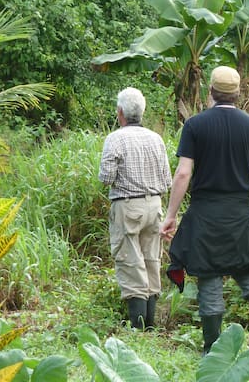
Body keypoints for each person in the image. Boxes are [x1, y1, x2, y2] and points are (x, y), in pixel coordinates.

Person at [160, 65, 249, 355]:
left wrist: (171, 215)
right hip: (240, 214)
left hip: (206, 215)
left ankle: (212, 349)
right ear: (237, 94)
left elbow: (183, 174)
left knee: (210, 279)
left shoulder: (195, 125)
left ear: (210, 91)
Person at [99, 87, 172, 331]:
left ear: (120, 112)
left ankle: (138, 330)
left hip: (128, 205)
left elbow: (106, 178)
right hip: (154, 205)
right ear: (142, 111)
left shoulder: (115, 139)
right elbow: (167, 181)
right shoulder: (156, 139)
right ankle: (150, 327)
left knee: (131, 264)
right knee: (152, 261)